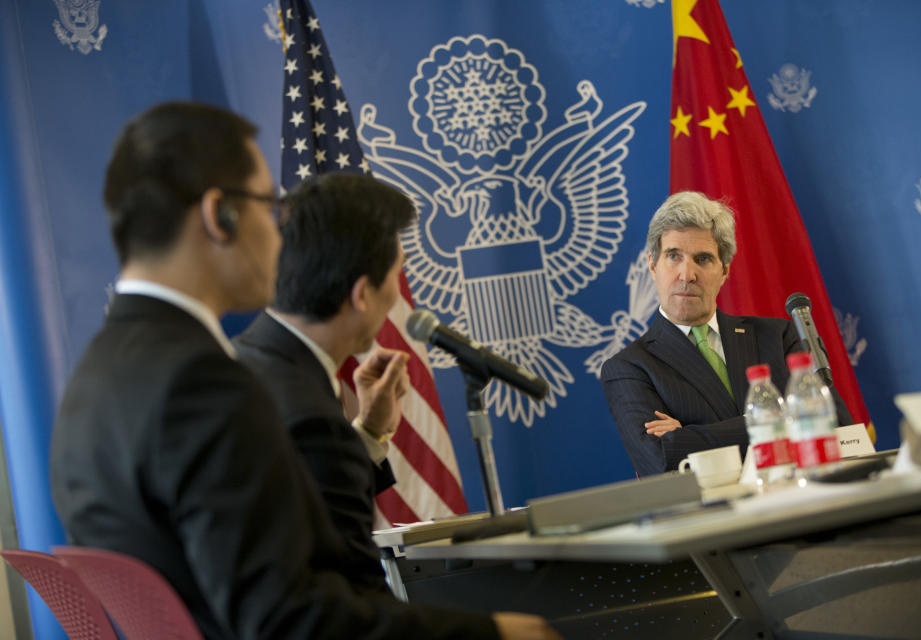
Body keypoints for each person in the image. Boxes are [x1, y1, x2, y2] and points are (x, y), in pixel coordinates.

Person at [50, 102, 560, 640]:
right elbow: (288, 621)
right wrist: (497, 634)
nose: (279, 241)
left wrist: (364, 434)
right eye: (268, 207)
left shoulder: (96, 375)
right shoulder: (203, 384)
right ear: (218, 215)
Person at [233, 173, 412, 593]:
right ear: (362, 294)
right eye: (397, 276)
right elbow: (354, 603)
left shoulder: (248, 359)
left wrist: (368, 431)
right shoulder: (307, 413)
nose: (398, 296)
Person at [601, 191, 852, 477]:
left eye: (703, 259)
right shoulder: (629, 368)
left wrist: (690, 435)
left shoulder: (777, 337)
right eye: (673, 256)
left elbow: (835, 426)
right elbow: (660, 459)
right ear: (652, 265)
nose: (687, 274)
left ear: (724, 271)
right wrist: (783, 419)